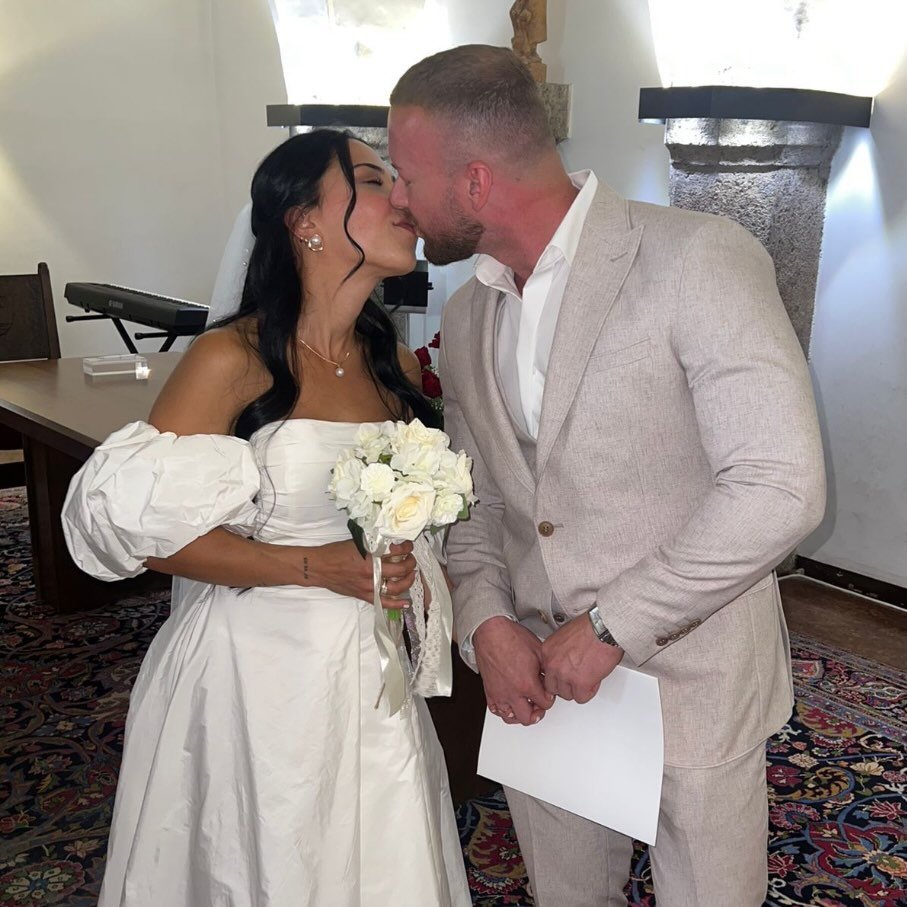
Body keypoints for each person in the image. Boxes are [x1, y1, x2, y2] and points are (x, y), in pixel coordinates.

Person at [387, 44, 826, 907]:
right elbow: (475, 501)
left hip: (693, 673)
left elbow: (778, 484)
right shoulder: (467, 310)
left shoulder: (696, 257)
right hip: (534, 679)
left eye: (405, 176)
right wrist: (485, 623)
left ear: (475, 182)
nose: (397, 198)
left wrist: (610, 624)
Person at [61, 129, 471, 907]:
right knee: (269, 849)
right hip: (255, 672)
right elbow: (155, 539)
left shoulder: (391, 367)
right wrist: (316, 567)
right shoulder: (231, 358)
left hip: (369, 662)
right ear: (302, 220)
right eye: (371, 179)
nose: (402, 199)